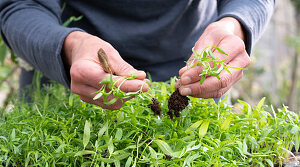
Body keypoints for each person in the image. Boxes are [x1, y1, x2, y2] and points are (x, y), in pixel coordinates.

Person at [0, 1, 275, 109]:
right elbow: (17, 6)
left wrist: (235, 25)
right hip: (71, 79)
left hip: (194, 78)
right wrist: (70, 46)